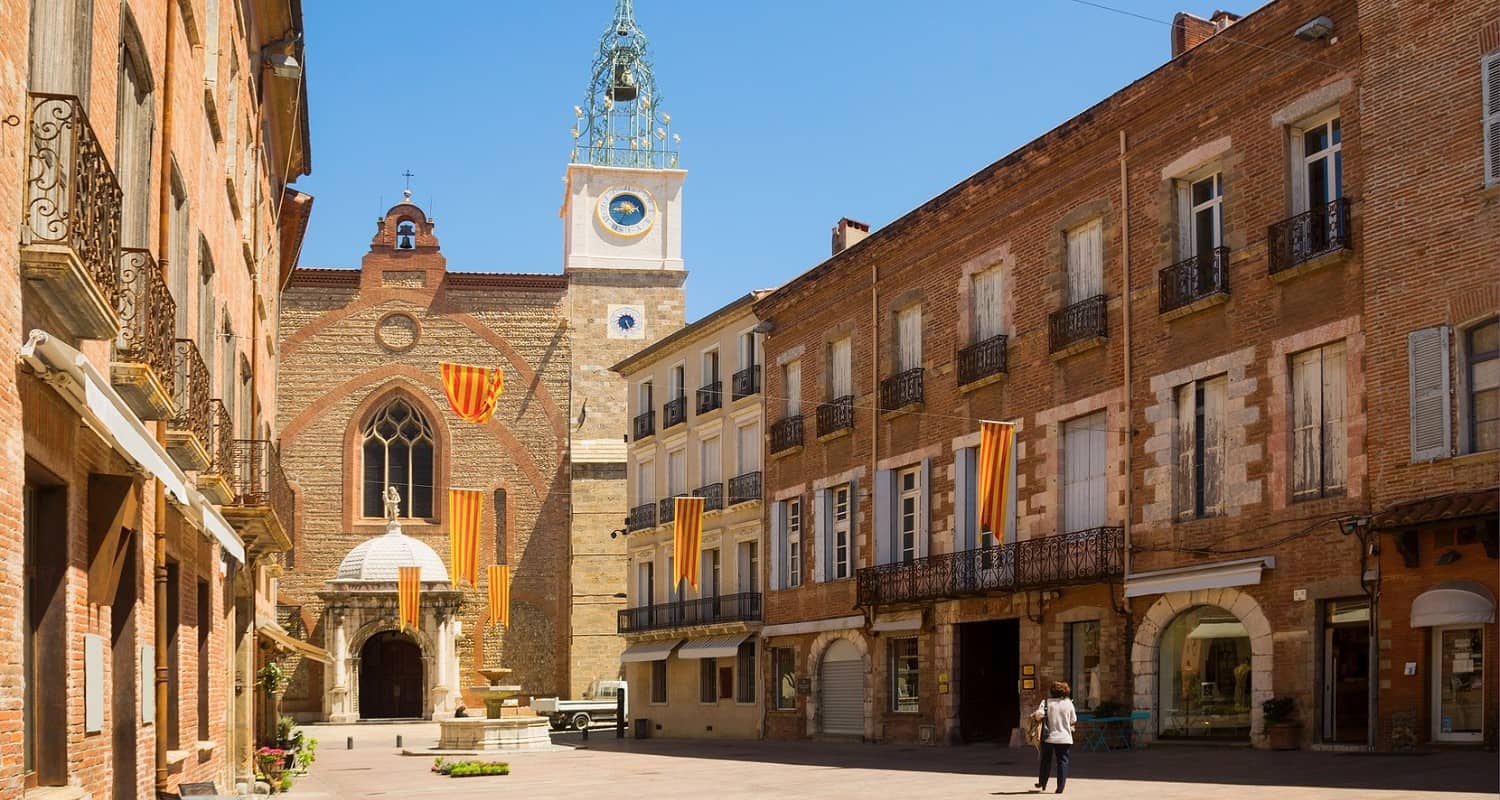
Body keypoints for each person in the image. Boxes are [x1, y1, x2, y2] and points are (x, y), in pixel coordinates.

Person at [1032, 680, 1078, 794]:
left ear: (1052, 691)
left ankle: (1043, 782)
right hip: (1064, 737)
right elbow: (1074, 719)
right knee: (1062, 762)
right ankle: (1060, 787)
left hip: (1048, 737)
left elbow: (1038, 715)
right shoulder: (1068, 703)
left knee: (1045, 760)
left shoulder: (1046, 702)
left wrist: (1036, 716)